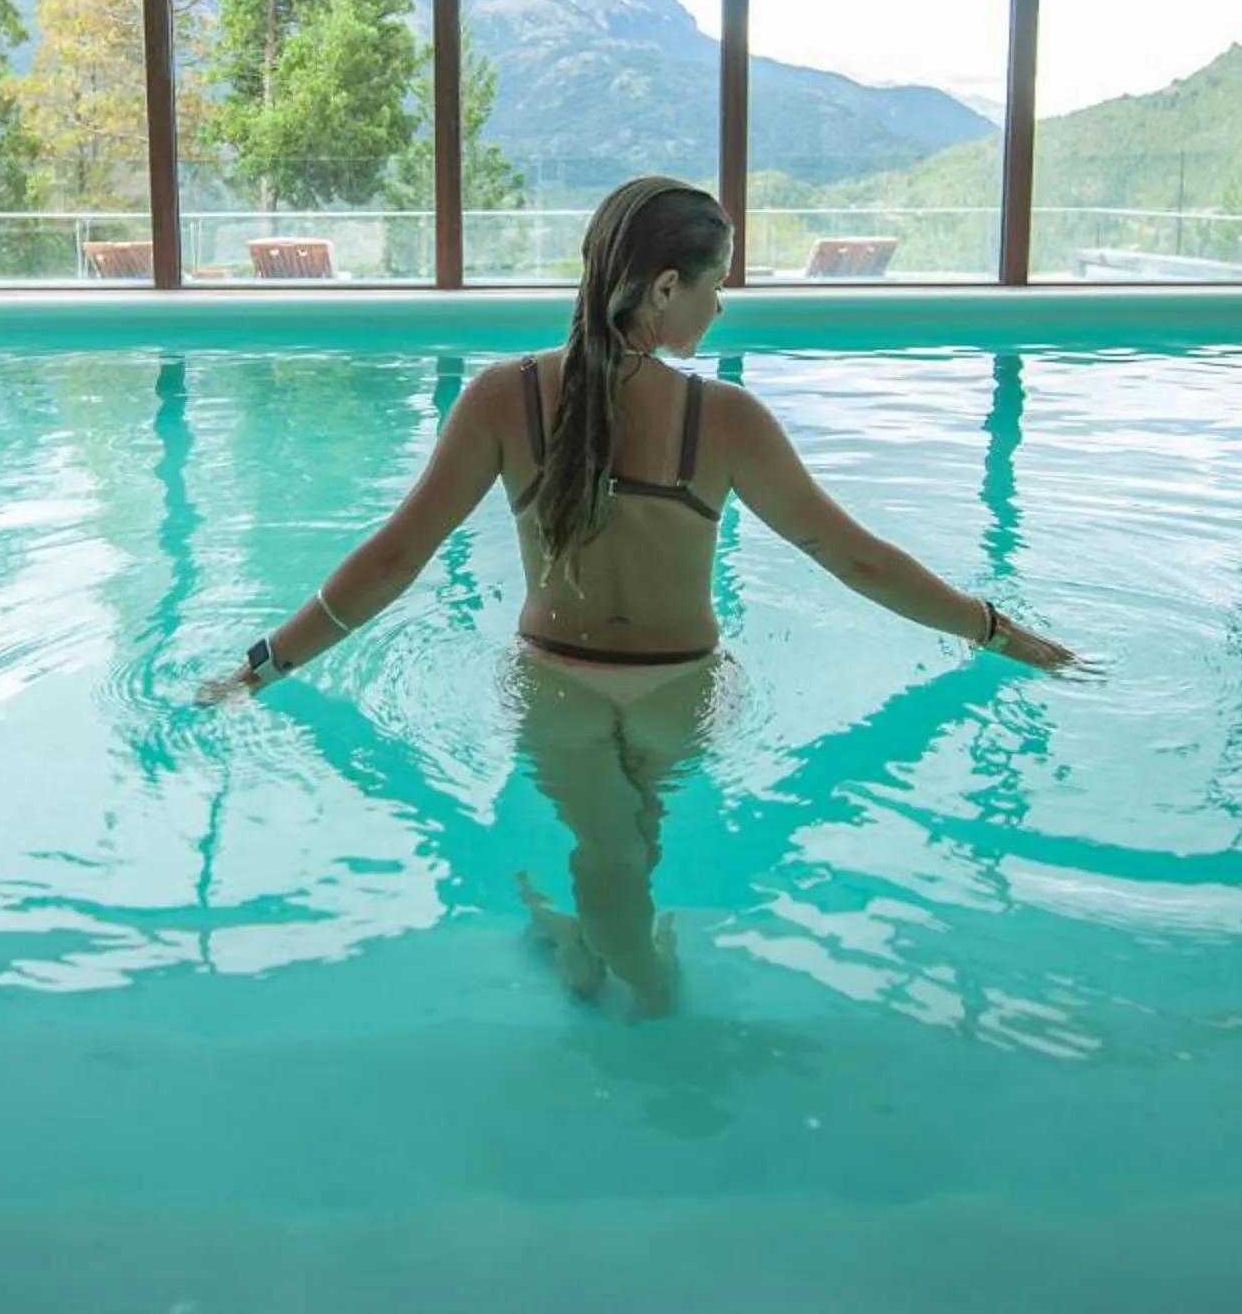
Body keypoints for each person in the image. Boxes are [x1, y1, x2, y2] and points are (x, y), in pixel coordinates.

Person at [199, 175, 1085, 1017]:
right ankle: (649, 995)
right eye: (715, 283)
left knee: (610, 840)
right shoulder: (726, 419)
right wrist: (998, 632)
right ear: (665, 287)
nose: (721, 305)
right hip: (680, 688)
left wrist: (264, 664)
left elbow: (396, 558)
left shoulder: (504, 397)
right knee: (624, 848)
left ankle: (577, 947)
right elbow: (858, 561)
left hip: (554, 686)